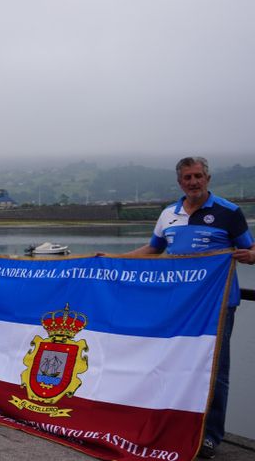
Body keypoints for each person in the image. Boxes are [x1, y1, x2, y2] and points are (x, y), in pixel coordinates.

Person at [125, 156, 254, 459]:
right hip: (177, 305)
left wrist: (251, 256)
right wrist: (114, 259)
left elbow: (249, 248)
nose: (193, 181)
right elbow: (154, 249)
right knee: (172, 364)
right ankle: (176, 425)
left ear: (208, 178)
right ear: (179, 182)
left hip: (218, 306)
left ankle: (209, 435)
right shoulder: (168, 214)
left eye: (198, 176)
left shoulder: (229, 212)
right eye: (187, 177)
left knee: (215, 370)